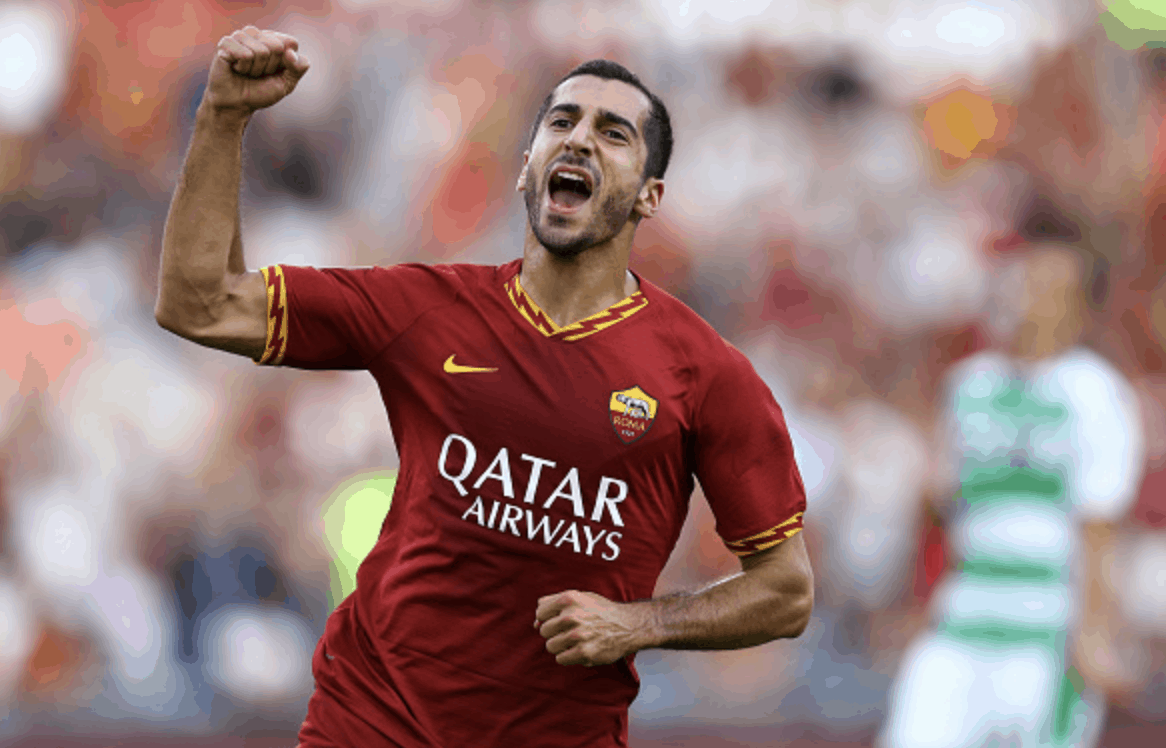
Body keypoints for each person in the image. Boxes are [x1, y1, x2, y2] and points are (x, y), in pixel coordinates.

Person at [154, 26, 813, 747]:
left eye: (613, 132)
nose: (579, 140)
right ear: (526, 168)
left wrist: (640, 623)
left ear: (649, 197)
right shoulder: (427, 308)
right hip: (370, 726)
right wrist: (223, 116)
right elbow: (201, 303)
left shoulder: (708, 376)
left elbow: (785, 591)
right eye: (561, 122)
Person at [876, 247, 1145, 748]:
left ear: (1077, 309)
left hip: (1047, 622)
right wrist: (915, 605)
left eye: (1047, 291)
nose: (1029, 301)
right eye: (1024, 286)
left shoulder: (1095, 393)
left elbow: (1100, 524)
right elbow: (940, 507)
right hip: (964, 613)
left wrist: (1095, 632)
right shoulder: (969, 385)